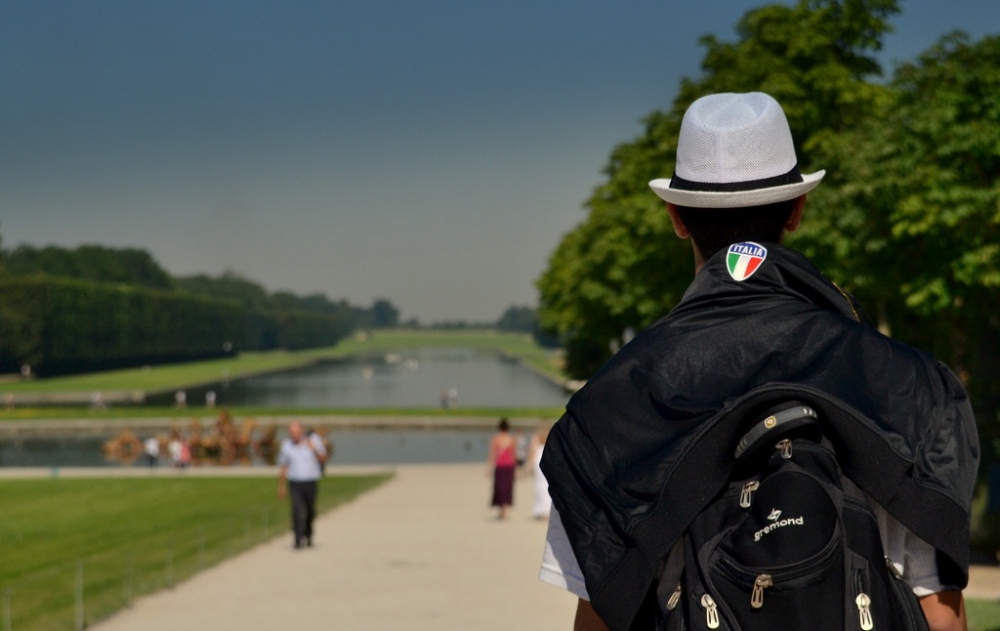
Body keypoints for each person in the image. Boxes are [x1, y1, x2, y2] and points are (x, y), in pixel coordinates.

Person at [538, 93, 977, 631]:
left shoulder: (608, 411)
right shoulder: (913, 387)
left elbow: (597, 618)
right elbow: (942, 616)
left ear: (676, 217)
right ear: (797, 210)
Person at [277, 421, 328, 548]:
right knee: (296, 509)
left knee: (310, 510)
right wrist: (281, 486)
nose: (294, 435)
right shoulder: (286, 445)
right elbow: (284, 465)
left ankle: (308, 534)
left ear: (301, 431)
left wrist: (313, 448)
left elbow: (323, 459)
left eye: (296, 432)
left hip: (310, 481)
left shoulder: (313, 440)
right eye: (292, 433)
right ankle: (297, 538)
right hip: (295, 482)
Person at [488, 418, 517, 520]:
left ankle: (502, 510)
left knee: (499, 487)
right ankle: (505, 510)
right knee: (507, 488)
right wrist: (516, 469)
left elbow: (492, 454)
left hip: (500, 466)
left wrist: (489, 467)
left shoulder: (496, 439)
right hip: (509, 466)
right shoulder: (511, 439)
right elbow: (513, 455)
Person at [529, 424, 551, 520]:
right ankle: (547, 510)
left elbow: (532, 451)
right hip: (546, 460)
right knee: (547, 486)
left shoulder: (536, 437)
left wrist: (530, 465)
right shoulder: (551, 436)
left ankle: (540, 509)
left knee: (539, 487)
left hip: (538, 461)